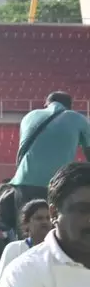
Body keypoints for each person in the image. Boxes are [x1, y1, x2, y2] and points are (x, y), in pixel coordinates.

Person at [8, 93, 90, 222]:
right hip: (58, 184)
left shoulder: (29, 116)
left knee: (26, 228)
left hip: (24, 182)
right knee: (55, 228)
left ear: (46, 104)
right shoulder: (78, 119)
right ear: (69, 107)